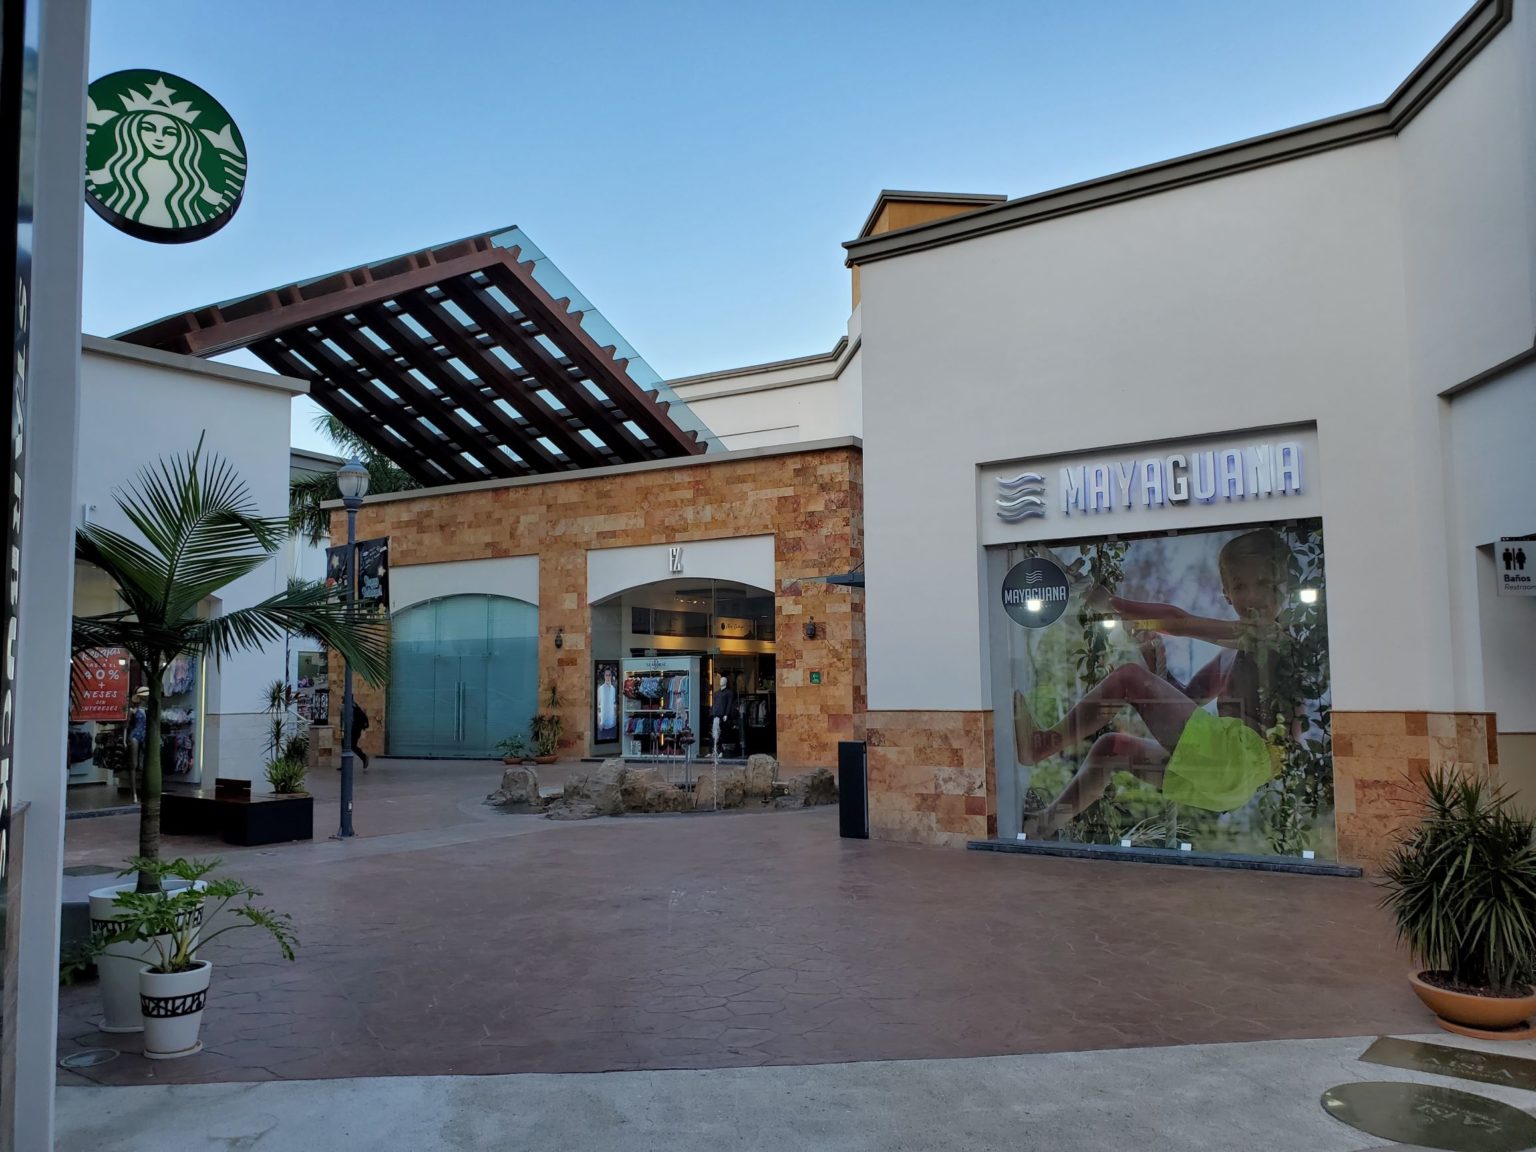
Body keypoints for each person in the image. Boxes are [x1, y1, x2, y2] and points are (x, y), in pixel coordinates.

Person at [1014, 529, 1292, 839]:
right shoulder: (1231, 653)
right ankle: (1043, 825)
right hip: (1225, 778)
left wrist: (1113, 604)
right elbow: (1188, 699)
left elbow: (1180, 621)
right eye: (1241, 585)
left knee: (1129, 678)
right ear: (1226, 593)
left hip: (1238, 761)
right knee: (1111, 749)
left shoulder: (1272, 637)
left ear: (1286, 589)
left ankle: (1043, 745)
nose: (1253, 595)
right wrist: (1153, 658)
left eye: (1264, 584)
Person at [596, 666, 618, 743]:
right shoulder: (600, 689)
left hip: (612, 724)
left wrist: (615, 720)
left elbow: (614, 705)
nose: (608, 677)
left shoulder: (613, 689)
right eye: (606, 675)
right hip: (603, 725)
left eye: (609, 675)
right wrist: (599, 723)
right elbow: (596, 706)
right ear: (604, 676)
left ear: (611, 676)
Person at [349, 703, 370, 772]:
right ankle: (363, 757)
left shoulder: (354, 711)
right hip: (354, 731)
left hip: (354, 731)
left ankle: (363, 757)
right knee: (349, 746)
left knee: (352, 746)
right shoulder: (357, 710)